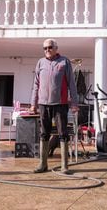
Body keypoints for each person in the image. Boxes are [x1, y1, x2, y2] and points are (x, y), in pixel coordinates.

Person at [30, 38, 78, 174]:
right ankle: (42, 164)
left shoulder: (64, 62)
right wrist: (33, 104)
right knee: (44, 133)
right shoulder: (40, 63)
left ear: (56, 48)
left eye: (50, 47)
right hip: (43, 104)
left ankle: (64, 166)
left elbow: (72, 85)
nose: (47, 50)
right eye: (45, 48)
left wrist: (74, 103)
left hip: (60, 104)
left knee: (63, 133)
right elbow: (35, 85)